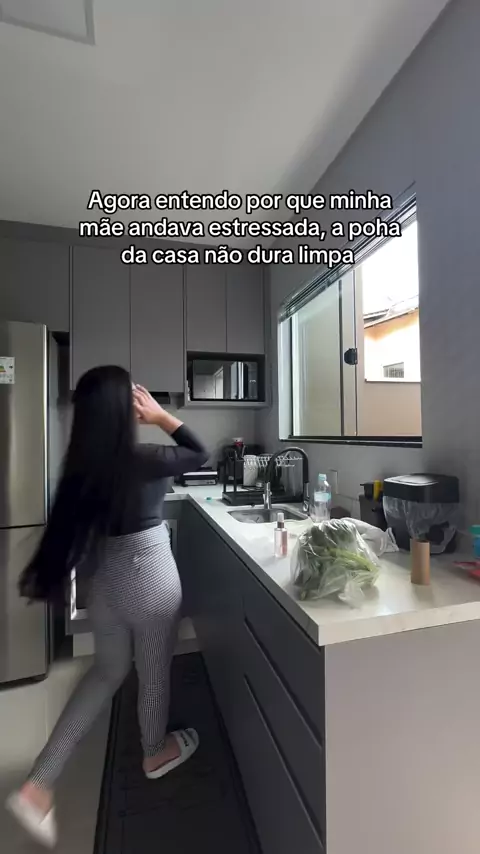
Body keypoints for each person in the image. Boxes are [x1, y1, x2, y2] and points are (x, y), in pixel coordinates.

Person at [6, 365, 209, 848]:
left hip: (106, 583)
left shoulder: (82, 469)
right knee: (153, 674)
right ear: (124, 409)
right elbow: (199, 453)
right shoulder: (144, 458)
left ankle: (39, 783)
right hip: (150, 575)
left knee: (106, 673)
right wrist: (162, 416)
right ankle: (154, 751)